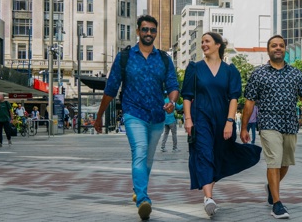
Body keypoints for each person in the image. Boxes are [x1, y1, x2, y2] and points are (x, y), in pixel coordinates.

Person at [94, 15, 179, 220]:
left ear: (156, 33)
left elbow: (173, 86)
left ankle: (138, 188)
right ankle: (143, 199)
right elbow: (111, 88)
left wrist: (171, 101)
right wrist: (99, 117)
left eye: (152, 30)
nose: (148, 33)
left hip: (157, 116)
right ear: (138, 31)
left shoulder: (164, 59)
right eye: (145, 29)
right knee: (140, 151)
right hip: (133, 113)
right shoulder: (125, 57)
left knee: (148, 158)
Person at [182, 32, 262, 217]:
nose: (203, 45)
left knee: (218, 155)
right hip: (200, 117)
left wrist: (229, 121)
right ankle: (208, 198)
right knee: (204, 153)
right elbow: (187, 96)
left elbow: (234, 97)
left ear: (218, 45)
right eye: (202, 42)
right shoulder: (194, 68)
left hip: (222, 119)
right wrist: (188, 119)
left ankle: (208, 191)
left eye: (207, 41)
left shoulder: (230, 70)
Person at [241, 34, 302, 219]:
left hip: (290, 124)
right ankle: (277, 203)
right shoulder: (259, 73)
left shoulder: (296, 73)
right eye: (274, 45)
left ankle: (270, 187)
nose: (278, 48)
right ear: (268, 49)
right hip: (268, 124)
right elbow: (249, 102)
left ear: (285, 49)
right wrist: (243, 128)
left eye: (281, 45)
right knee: (274, 160)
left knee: (285, 162)